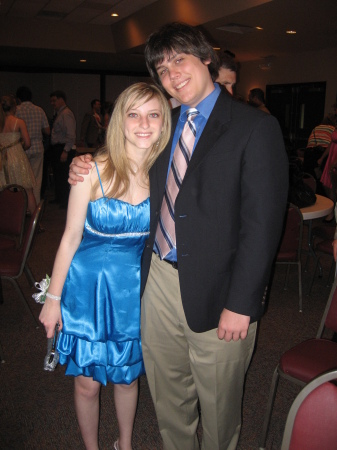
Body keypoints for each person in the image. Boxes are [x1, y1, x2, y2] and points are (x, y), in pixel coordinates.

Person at [68, 22, 288, 450]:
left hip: (221, 288)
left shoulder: (253, 127)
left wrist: (242, 303)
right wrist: (85, 163)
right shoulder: (162, 125)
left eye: (180, 60)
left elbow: (262, 226)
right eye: (162, 69)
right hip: (157, 282)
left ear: (207, 58)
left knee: (219, 404)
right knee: (169, 397)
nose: (172, 74)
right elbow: (121, 158)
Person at [39, 82, 171, 450]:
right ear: (119, 121)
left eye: (153, 114)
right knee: (88, 381)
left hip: (134, 290)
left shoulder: (166, 176)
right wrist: (53, 299)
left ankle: (124, 444)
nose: (143, 124)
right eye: (134, 114)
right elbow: (69, 238)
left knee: (128, 377)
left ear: (164, 123)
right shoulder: (91, 170)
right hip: (87, 288)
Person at [0, 95, 37, 214]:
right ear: (14, 107)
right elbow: (27, 142)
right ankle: (34, 221)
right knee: (27, 189)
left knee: (4, 189)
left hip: (2, 158)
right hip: (17, 157)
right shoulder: (18, 122)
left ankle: (7, 218)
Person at [15, 86, 50, 204]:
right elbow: (47, 130)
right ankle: (35, 206)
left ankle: (24, 205)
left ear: (19, 99)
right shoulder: (39, 110)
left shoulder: (16, 110)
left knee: (23, 179)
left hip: (22, 149)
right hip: (37, 147)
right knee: (37, 179)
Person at [50, 90, 76, 209]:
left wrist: (65, 151)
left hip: (64, 148)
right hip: (58, 148)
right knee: (58, 176)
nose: (52, 103)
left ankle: (66, 202)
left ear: (61, 99)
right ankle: (60, 199)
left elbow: (71, 135)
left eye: (54, 100)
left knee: (64, 177)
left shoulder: (66, 113)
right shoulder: (60, 113)